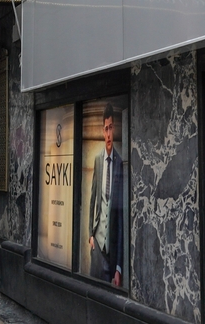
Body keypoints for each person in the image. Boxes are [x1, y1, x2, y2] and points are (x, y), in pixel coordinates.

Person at [88, 102, 124, 287]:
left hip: (111, 254)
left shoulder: (120, 163)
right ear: (102, 132)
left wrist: (118, 267)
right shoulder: (97, 161)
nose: (108, 133)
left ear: (114, 129)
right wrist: (90, 235)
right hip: (97, 248)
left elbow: (119, 218)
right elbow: (93, 199)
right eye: (105, 129)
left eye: (111, 128)